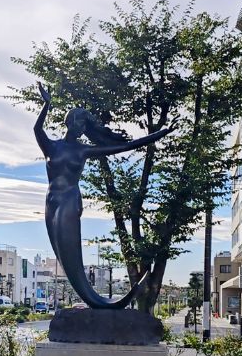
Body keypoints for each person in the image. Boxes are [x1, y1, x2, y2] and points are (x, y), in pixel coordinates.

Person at [34, 82, 172, 309]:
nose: (81, 127)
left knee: (71, 254)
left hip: (69, 200)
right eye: (79, 122)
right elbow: (37, 130)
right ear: (69, 122)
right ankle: (94, 300)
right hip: (51, 202)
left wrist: (158, 134)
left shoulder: (84, 150)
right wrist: (46, 105)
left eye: (84, 124)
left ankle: (97, 301)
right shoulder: (52, 146)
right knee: (61, 254)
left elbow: (126, 147)